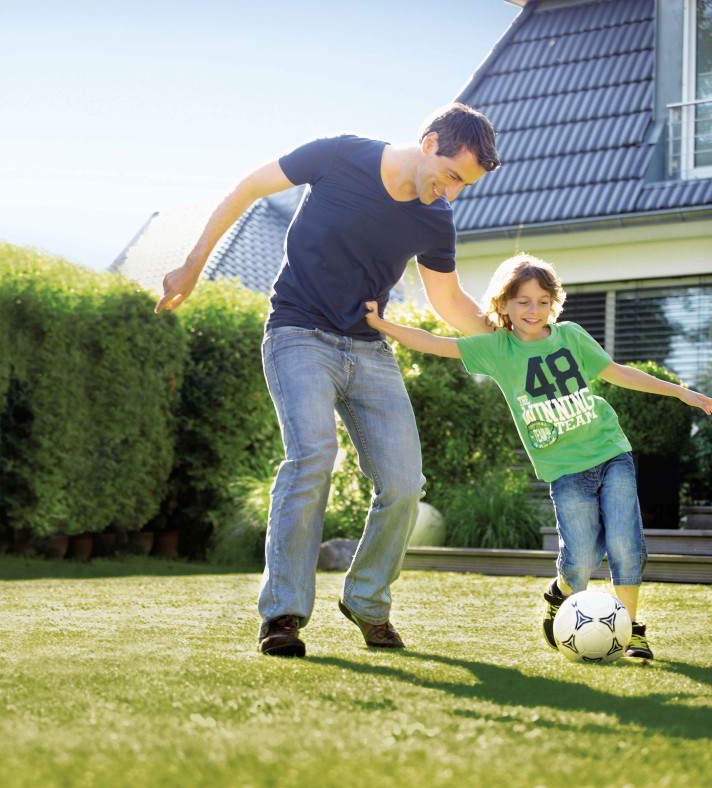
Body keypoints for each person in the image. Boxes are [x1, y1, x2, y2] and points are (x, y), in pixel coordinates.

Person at [155, 103, 501, 657]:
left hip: (368, 348)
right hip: (297, 333)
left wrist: (512, 333)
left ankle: (365, 601)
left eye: (465, 186)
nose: (452, 192)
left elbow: (450, 303)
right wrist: (194, 264)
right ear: (431, 141)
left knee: (404, 481)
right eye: (453, 175)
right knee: (313, 455)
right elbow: (248, 187)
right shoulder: (341, 155)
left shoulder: (435, 218)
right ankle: (284, 614)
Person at [365, 253, 712, 661]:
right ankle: (560, 592)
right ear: (504, 305)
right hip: (564, 470)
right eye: (523, 301)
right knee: (580, 561)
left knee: (625, 544)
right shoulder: (498, 349)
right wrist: (381, 325)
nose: (534, 310)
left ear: (554, 303)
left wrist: (681, 393)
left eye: (543, 300)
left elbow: (618, 372)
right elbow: (436, 344)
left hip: (610, 451)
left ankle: (632, 630)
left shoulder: (572, 336)